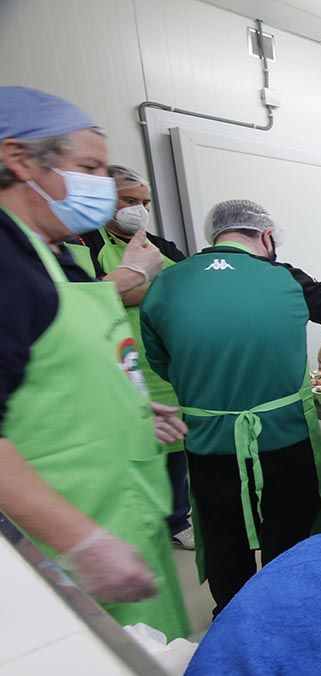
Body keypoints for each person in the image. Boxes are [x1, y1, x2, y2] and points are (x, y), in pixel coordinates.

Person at [0, 86, 189, 638]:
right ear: (18, 160)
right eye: (88, 167)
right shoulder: (7, 265)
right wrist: (80, 541)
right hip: (68, 543)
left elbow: (58, 366)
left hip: (126, 514)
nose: (102, 187)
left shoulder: (60, 257)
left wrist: (126, 408)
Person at [140, 199, 321, 615]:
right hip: (284, 435)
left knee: (224, 537)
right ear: (266, 236)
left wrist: (210, 389)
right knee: (289, 531)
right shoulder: (287, 277)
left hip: (208, 441)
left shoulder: (168, 282)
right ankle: (288, 615)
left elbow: (161, 362)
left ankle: (234, 620)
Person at [63, 165, 195, 550]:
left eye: (145, 202)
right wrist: (136, 283)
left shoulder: (161, 246)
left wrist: (130, 284)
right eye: (129, 200)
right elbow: (88, 297)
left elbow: (187, 286)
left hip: (166, 364)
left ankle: (176, 517)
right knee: (129, 444)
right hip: (118, 360)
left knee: (173, 445)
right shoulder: (84, 241)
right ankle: (136, 521)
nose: (139, 209)